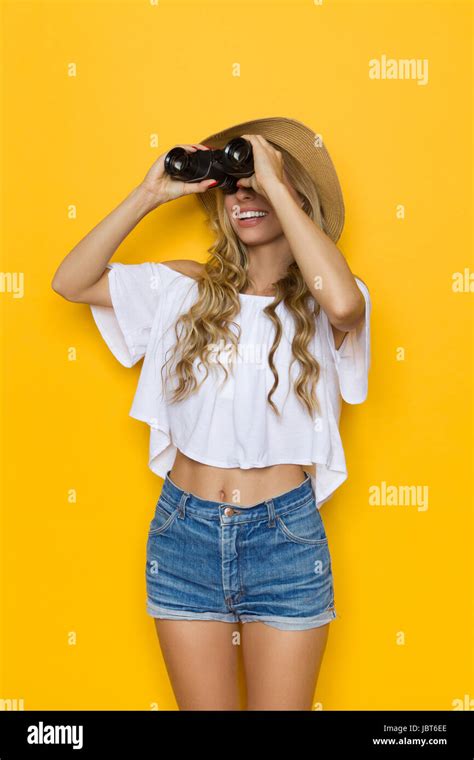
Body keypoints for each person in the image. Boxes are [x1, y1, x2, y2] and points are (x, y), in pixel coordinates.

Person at [51, 117, 371, 711]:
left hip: (284, 538)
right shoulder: (185, 290)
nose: (241, 196)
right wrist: (150, 194)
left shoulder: (327, 299)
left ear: (293, 193)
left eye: (255, 183)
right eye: (233, 187)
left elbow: (345, 303)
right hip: (184, 535)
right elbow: (71, 281)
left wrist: (271, 179)